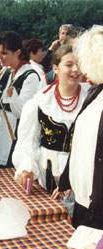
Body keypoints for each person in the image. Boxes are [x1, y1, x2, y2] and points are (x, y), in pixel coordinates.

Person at [13, 45, 89, 191]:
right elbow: (28, 142)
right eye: (69, 65)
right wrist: (27, 167)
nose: (75, 69)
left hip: (82, 174)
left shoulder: (92, 98)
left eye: (79, 64)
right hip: (48, 173)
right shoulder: (41, 102)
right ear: (56, 69)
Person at [54, 25, 103, 229]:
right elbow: (80, 142)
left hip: (97, 206)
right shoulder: (94, 92)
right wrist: (66, 180)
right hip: (83, 200)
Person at [0, 31, 41, 167]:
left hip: (13, 138)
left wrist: (12, 96)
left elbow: (23, 112)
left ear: (18, 52)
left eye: (4, 53)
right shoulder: (2, 72)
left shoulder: (30, 76)